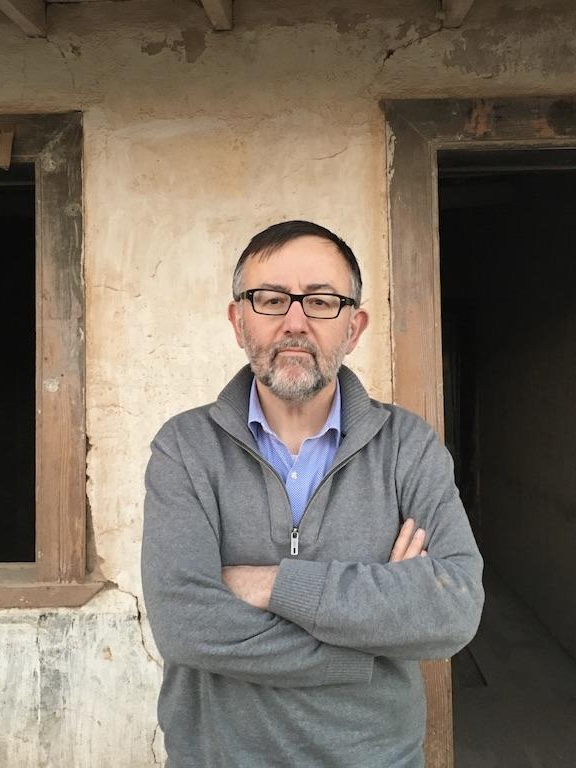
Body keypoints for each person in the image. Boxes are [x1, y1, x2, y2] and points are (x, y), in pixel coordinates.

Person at [141, 220, 484, 767]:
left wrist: (269, 583)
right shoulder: (185, 448)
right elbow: (184, 625)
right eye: (271, 300)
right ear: (238, 320)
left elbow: (454, 609)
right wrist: (367, 643)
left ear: (354, 325)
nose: (295, 322)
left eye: (322, 301)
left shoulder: (408, 447)